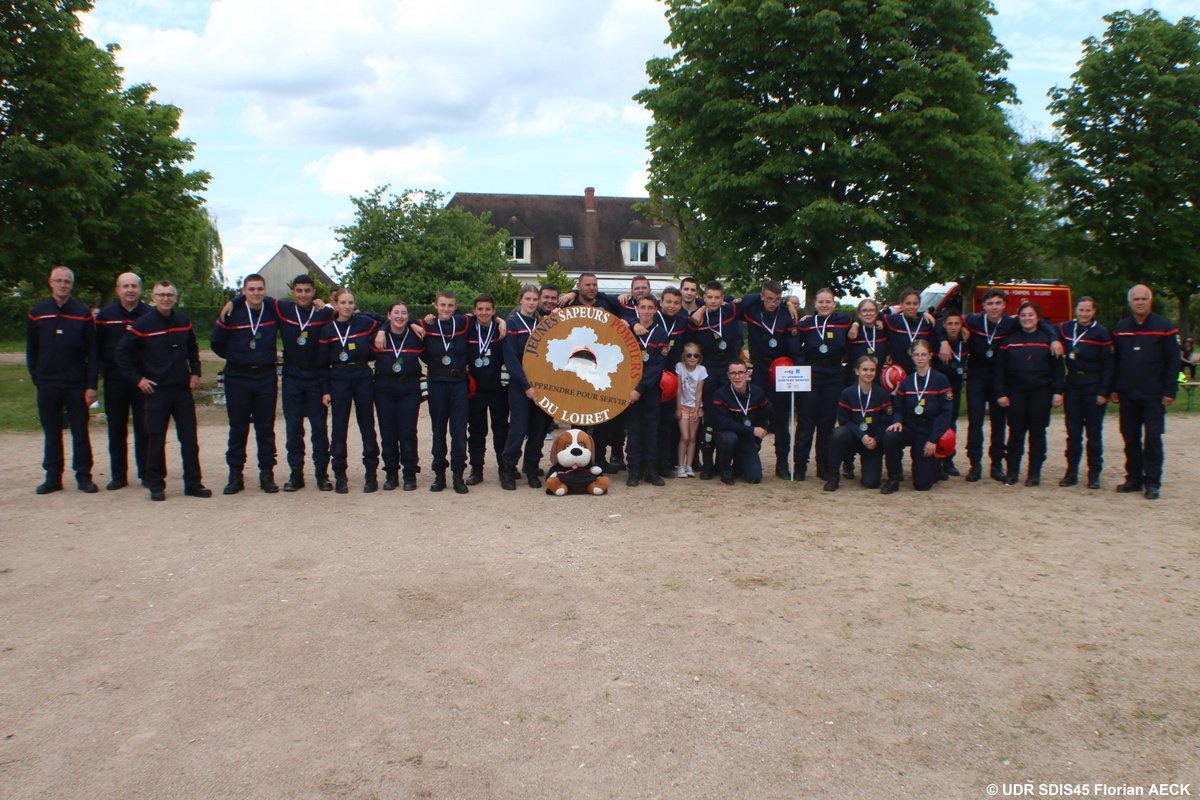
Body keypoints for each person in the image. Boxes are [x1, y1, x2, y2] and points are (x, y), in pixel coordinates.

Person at [115, 281, 211, 501]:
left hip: (182, 390)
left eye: (170, 295)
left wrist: (195, 372)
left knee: (189, 438)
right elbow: (122, 352)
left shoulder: (183, 321)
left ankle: (194, 483)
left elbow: (193, 348)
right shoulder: (144, 323)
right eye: (161, 294)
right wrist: (137, 379)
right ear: (153, 296)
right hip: (157, 391)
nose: (166, 298)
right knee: (155, 439)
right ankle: (156, 484)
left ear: (175, 297)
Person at [26, 266, 99, 494]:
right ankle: (53, 476)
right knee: (52, 430)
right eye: (58, 280)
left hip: (76, 382)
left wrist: (91, 385)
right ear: (51, 282)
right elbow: (32, 350)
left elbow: (92, 352)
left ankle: (84, 475)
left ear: (72, 284)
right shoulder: (38, 312)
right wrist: (37, 380)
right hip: (48, 382)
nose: (63, 284)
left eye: (67, 281)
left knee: (80, 430)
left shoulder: (82, 313)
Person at [211, 274, 279, 494]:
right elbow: (216, 343)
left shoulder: (272, 310)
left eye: (260, 288)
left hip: (266, 376)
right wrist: (237, 356)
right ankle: (235, 475)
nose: (256, 293)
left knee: (265, 428)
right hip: (238, 377)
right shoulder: (232, 312)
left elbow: (294, 305)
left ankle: (267, 475)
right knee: (238, 428)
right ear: (243, 291)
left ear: (265, 290)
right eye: (251, 289)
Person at [1111, 285, 1180, 500]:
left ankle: (1152, 482)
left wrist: (1170, 390)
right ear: (1129, 302)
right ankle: (1134, 478)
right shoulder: (1121, 327)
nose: (1140, 302)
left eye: (1144, 299)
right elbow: (1114, 360)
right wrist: (1113, 388)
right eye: (1136, 299)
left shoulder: (1165, 327)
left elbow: (1173, 361)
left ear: (1150, 301)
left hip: (1153, 394)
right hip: (1128, 394)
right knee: (1130, 437)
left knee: (1152, 438)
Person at [318, 289, 380, 493]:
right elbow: (321, 364)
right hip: (339, 378)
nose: (347, 306)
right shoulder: (327, 330)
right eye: (343, 302)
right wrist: (325, 390)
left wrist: (381, 331)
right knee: (339, 427)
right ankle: (340, 474)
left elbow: (387, 320)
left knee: (367, 425)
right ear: (335, 305)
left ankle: (371, 474)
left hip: (362, 375)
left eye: (350, 302)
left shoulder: (363, 322)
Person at [996, 301, 1065, 486]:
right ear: (1018, 318)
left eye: (1030, 315)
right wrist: (1001, 393)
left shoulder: (1047, 340)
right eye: (1023, 315)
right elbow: (999, 370)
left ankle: (1034, 473)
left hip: (1040, 392)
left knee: (1037, 434)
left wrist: (1058, 391)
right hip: (1015, 393)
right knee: (1016, 433)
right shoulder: (1009, 341)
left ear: (1038, 318)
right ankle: (1012, 472)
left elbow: (1058, 368)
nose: (1027, 318)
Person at [737, 280, 800, 479]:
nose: (773, 303)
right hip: (760, 371)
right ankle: (749, 458)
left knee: (781, 419)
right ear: (762, 296)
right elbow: (734, 303)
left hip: (781, 371)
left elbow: (794, 346)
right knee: (754, 414)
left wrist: (798, 373)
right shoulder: (752, 310)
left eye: (777, 299)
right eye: (769, 298)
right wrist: (758, 294)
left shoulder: (786, 315)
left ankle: (782, 463)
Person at [95, 272, 150, 490]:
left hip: (142, 380)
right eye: (125, 286)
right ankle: (118, 475)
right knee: (116, 428)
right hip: (115, 380)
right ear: (118, 289)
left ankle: (146, 473)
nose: (130, 290)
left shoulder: (148, 314)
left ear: (140, 289)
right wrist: (101, 371)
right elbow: (97, 348)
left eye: (134, 286)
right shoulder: (106, 315)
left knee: (144, 428)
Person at [794, 287, 851, 481]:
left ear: (834, 304)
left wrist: (861, 325)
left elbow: (864, 319)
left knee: (827, 424)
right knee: (806, 422)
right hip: (810, 375)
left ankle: (823, 465)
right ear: (815, 304)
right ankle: (800, 466)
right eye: (821, 302)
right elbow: (794, 345)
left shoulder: (843, 321)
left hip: (834, 375)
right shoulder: (807, 324)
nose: (824, 305)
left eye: (828, 302)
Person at [881, 339, 952, 493]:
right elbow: (899, 407)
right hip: (911, 426)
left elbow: (946, 412)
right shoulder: (906, 381)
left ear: (930, 356)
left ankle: (933, 466)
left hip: (929, 431)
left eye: (923, 354)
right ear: (912, 357)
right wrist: (898, 421)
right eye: (916, 354)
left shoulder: (940, 380)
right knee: (890, 435)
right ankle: (894, 477)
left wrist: (933, 440)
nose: (920, 358)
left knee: (922, 485)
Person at [689, 281, 743, 479]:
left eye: (716, 297)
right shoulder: (698, 318)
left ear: (722, 298)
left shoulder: (729, 314)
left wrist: (789, 304)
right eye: (709, 297)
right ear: (704, 298)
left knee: (728, 415)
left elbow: (753, 299)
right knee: (709, 418)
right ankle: (707, 463)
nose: (713, 301)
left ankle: (725, 462)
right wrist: (701, 310)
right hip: (709, 368)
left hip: (728, 369)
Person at [1058, 297, 1113, 489]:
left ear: (1094, 312)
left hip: (1094, 385)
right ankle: (1071, 471)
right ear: (1075, 311)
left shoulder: (1101, 333)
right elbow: (1046, 328)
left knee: (1094, 433)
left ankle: (1094, 474)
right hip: (1073, 384)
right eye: (1081, 310)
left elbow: (1108, 364)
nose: (1084, 314)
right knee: (1073, 433)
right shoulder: (1066, 328)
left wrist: (1104, 391)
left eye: (1088, 310)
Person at [499, 286, 551, 490]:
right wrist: (526, 386)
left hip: (543, 385)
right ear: (520, 299)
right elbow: (511, 359)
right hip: (520, 385)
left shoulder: (543, 323)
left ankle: (531, 468)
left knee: (539, 430)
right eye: (527, 298)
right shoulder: (512, 323)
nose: (531, 302)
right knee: (518, 429)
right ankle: (508, 469)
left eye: (534, 299)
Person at [419, 290, 471, 494]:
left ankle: (458, 475)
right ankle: (439, 474)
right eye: (443, 305)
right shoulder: (427, 325)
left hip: (458, 381)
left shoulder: (464, 323)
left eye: (450, 305)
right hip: (437, 382)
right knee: (438, 430)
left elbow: (486, 316)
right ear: (435, 306)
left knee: (459, 431)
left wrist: (501, 320)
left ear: (456, 306)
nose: (446, 309)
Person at [372, 301, 424, 491]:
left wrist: (412, 323)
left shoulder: (416, 335)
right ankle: (391, 473)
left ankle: (410, 473)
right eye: (396, 313)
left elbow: (431, 322)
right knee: (388, 432)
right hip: (384, 388)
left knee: (408, 432)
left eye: (404, 313)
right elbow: (368, 316)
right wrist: (382, 329)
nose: (400, 316)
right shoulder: (379, 335)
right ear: (388, 315)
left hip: (409, 387)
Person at [824, 356, 892, 491]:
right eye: (865, 369)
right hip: (854, 437)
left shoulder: (882, 394)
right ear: (857, 371)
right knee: (837, 434)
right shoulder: (847, 393)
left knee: (871, 483)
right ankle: (833, 477)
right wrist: (862, 436)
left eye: (872, 370)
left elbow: (886, 422)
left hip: (872, 442)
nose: (868, 373)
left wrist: (876, 439)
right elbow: (844, 420)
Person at [842, 298, 890, 480]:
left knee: (876, 421)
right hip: (853, 384)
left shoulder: (883, 329)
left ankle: (874, 452)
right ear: (859, 314)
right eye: (864, 311)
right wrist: (854, 323)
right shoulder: (852, 331)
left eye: (872, 310)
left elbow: (896, 317)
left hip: (876, 384)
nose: (868, 314)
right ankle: (848, 461)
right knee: (851, 422)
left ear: (877, 313)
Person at [625, 294, 669, 487]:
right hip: (629, 389)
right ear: (637, 309)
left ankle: (651, 469)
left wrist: (640, 389)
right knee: (634, 430)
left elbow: (656, 367)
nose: (646, 311)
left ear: (656, 310)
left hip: (649, 390)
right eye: (643, 307)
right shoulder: (629, 330)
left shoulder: (661, 334)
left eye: (650, 308)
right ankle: (634, 469)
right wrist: (632, 389)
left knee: (652, 429)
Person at [465, 294, 508, 486]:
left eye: (487, 309)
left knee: (501, 431)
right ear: (474, 311)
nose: (484, 312)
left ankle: (504, 469)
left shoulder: (500, 329)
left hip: (498, 390)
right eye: (480, 309)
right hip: (475, 391)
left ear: (493, 311)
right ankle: (476, 469)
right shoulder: (467, 327)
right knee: (476, 432)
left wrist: (501, 321)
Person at [710, 361, 770, 485]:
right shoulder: (721, 394)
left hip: (747, 437)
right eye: (733, 373)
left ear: (747, 374)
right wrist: (752, 430)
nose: (737, 377)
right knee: (730, 438)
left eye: (741, 373)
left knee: (754, 478)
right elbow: (723, 423)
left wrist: (756, 443)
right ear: (728, 375)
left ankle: (739, 463)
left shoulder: (758, 392)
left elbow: (763, 419)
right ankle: (725, 469)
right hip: (727, 434)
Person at [656, 287, 690, 477]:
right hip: (653, 377)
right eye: (668, 301)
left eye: (676, 302)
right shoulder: (653, 319)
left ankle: (666, 463)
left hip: (673, 379)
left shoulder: (684, 322)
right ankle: (650, 463)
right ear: (661, 302)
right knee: (652, 422)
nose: (672, 306)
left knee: (668, 423)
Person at [932, 308, 967, 478]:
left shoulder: (965, 339)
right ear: (944, 325)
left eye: (957, 324)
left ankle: (948, 460)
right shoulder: (937, 339)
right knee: (936, 422)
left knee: (951, 423)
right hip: (937, 388)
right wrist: (942, 339)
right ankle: (935, 462)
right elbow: (935, 324)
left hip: (956, 386)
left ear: (962, 324)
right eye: (950, 324)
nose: (953, 327)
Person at [884, 288, 937, 374]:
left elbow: (944, 322)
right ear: (901, 304)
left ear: (919, 304)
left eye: (915, 303)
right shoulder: (893, 320)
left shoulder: (926, 322)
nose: (911, 306)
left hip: (921, 371)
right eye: (908, 303)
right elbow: (873, 315)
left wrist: (923, 313)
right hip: (899, 372)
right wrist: (856, 323)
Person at [674, 342, 707, 478]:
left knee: (693, 438)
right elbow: (678, 389)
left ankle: (689, 465)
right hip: (682, 406)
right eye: (689, 355)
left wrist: (696, 408)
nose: (692, 358)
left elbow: (699, 391)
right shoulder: (679, 367)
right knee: (685, 437)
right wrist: (677, 408)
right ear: (684, 356)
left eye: (695, 355)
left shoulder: (702, 370)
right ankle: (680, 466)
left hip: (695, 407)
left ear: (699, 357)